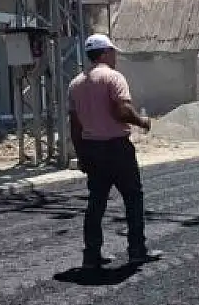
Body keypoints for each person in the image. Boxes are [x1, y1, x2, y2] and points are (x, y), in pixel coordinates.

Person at [68, 33, 162, 269]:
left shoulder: (75, 84)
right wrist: (142, 122)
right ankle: (137, 251)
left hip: (91, 149)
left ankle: (91, 255)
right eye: (113, 51)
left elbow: (75, 126)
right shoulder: (114, 78)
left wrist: (81, 155)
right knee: (133, 199)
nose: (116, 55)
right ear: (105, 53)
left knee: (96, 203)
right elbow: (123, 111)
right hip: (117, 148)